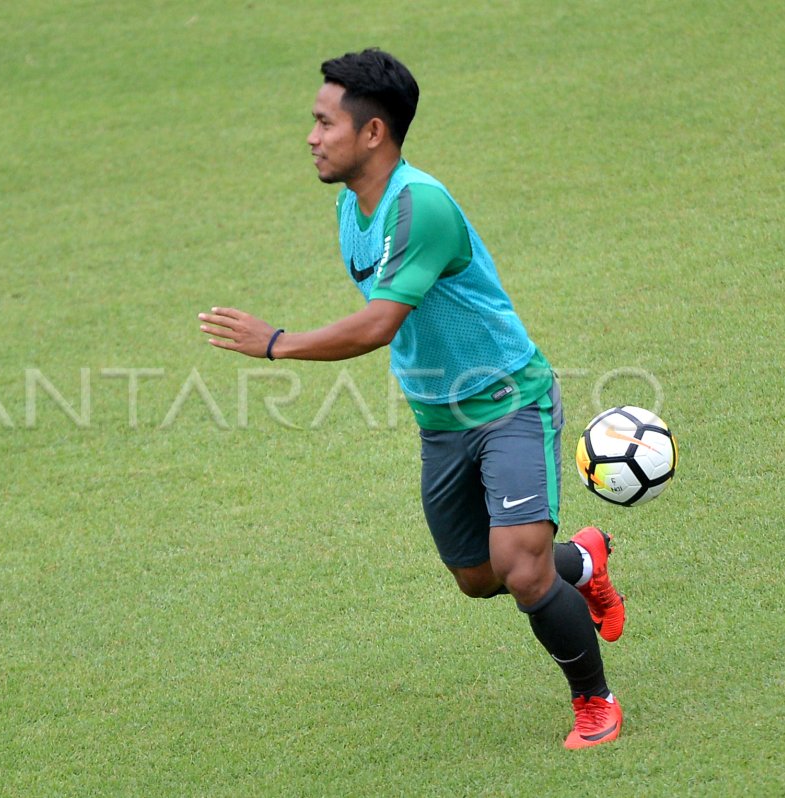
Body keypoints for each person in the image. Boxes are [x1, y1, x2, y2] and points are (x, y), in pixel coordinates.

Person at [197, 48, 626, 749]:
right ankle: (582, 561)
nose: (311, 136)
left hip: (510, 402)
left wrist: (277, 342)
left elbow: (378, 323)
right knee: (476, 577)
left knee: (520, 570)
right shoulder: (349, 207)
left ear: (372, 133)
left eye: (323, 122)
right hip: (440, 423)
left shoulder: (419, 205)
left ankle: (595, 702)